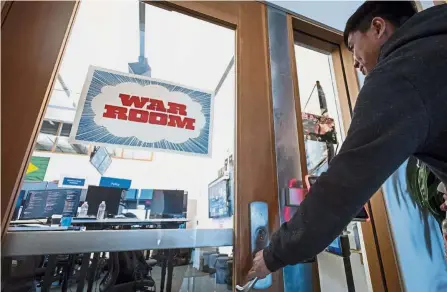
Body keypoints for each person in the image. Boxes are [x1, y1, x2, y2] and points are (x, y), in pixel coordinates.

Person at [249, 1, 447, 280]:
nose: (354, 61)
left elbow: (342, 187)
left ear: (378, 27)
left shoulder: (397, 75)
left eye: (353, 47)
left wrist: (274, 254)